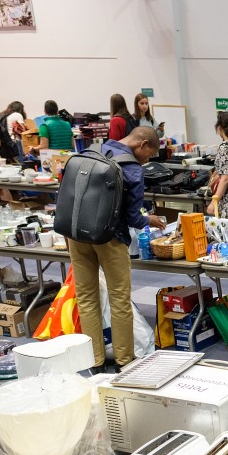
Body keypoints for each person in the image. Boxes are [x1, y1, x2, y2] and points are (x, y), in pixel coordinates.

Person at [68, 126, 166, 373]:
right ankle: (125, 360)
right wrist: (148, 220)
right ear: (143, 144)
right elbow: (133, 217)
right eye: (150, 154)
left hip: (76, 233)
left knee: (86, 297)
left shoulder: (91, 150)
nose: (148, 160)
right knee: (119, 298)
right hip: (109, 237)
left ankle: (94, 361)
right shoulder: (132, 168)